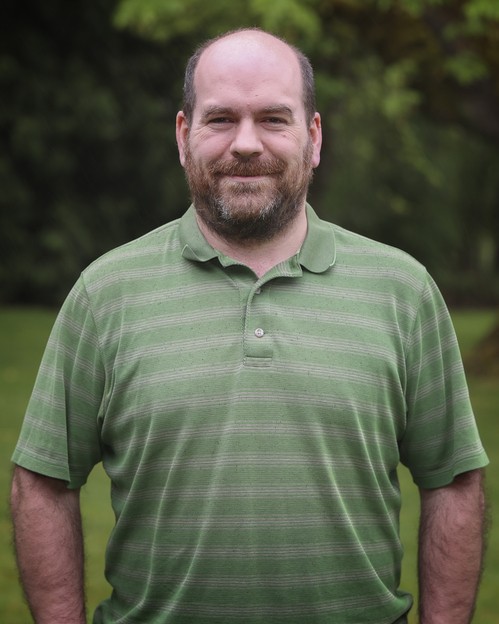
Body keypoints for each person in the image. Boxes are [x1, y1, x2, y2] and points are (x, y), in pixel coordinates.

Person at [10, 28, 488, 624]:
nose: (245, 143)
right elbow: (43, 482)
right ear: (183, 137)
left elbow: (453, 481)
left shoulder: (403, 291)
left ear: (314, 137)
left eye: (273, 119)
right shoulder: (105, 293)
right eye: (220, 120)